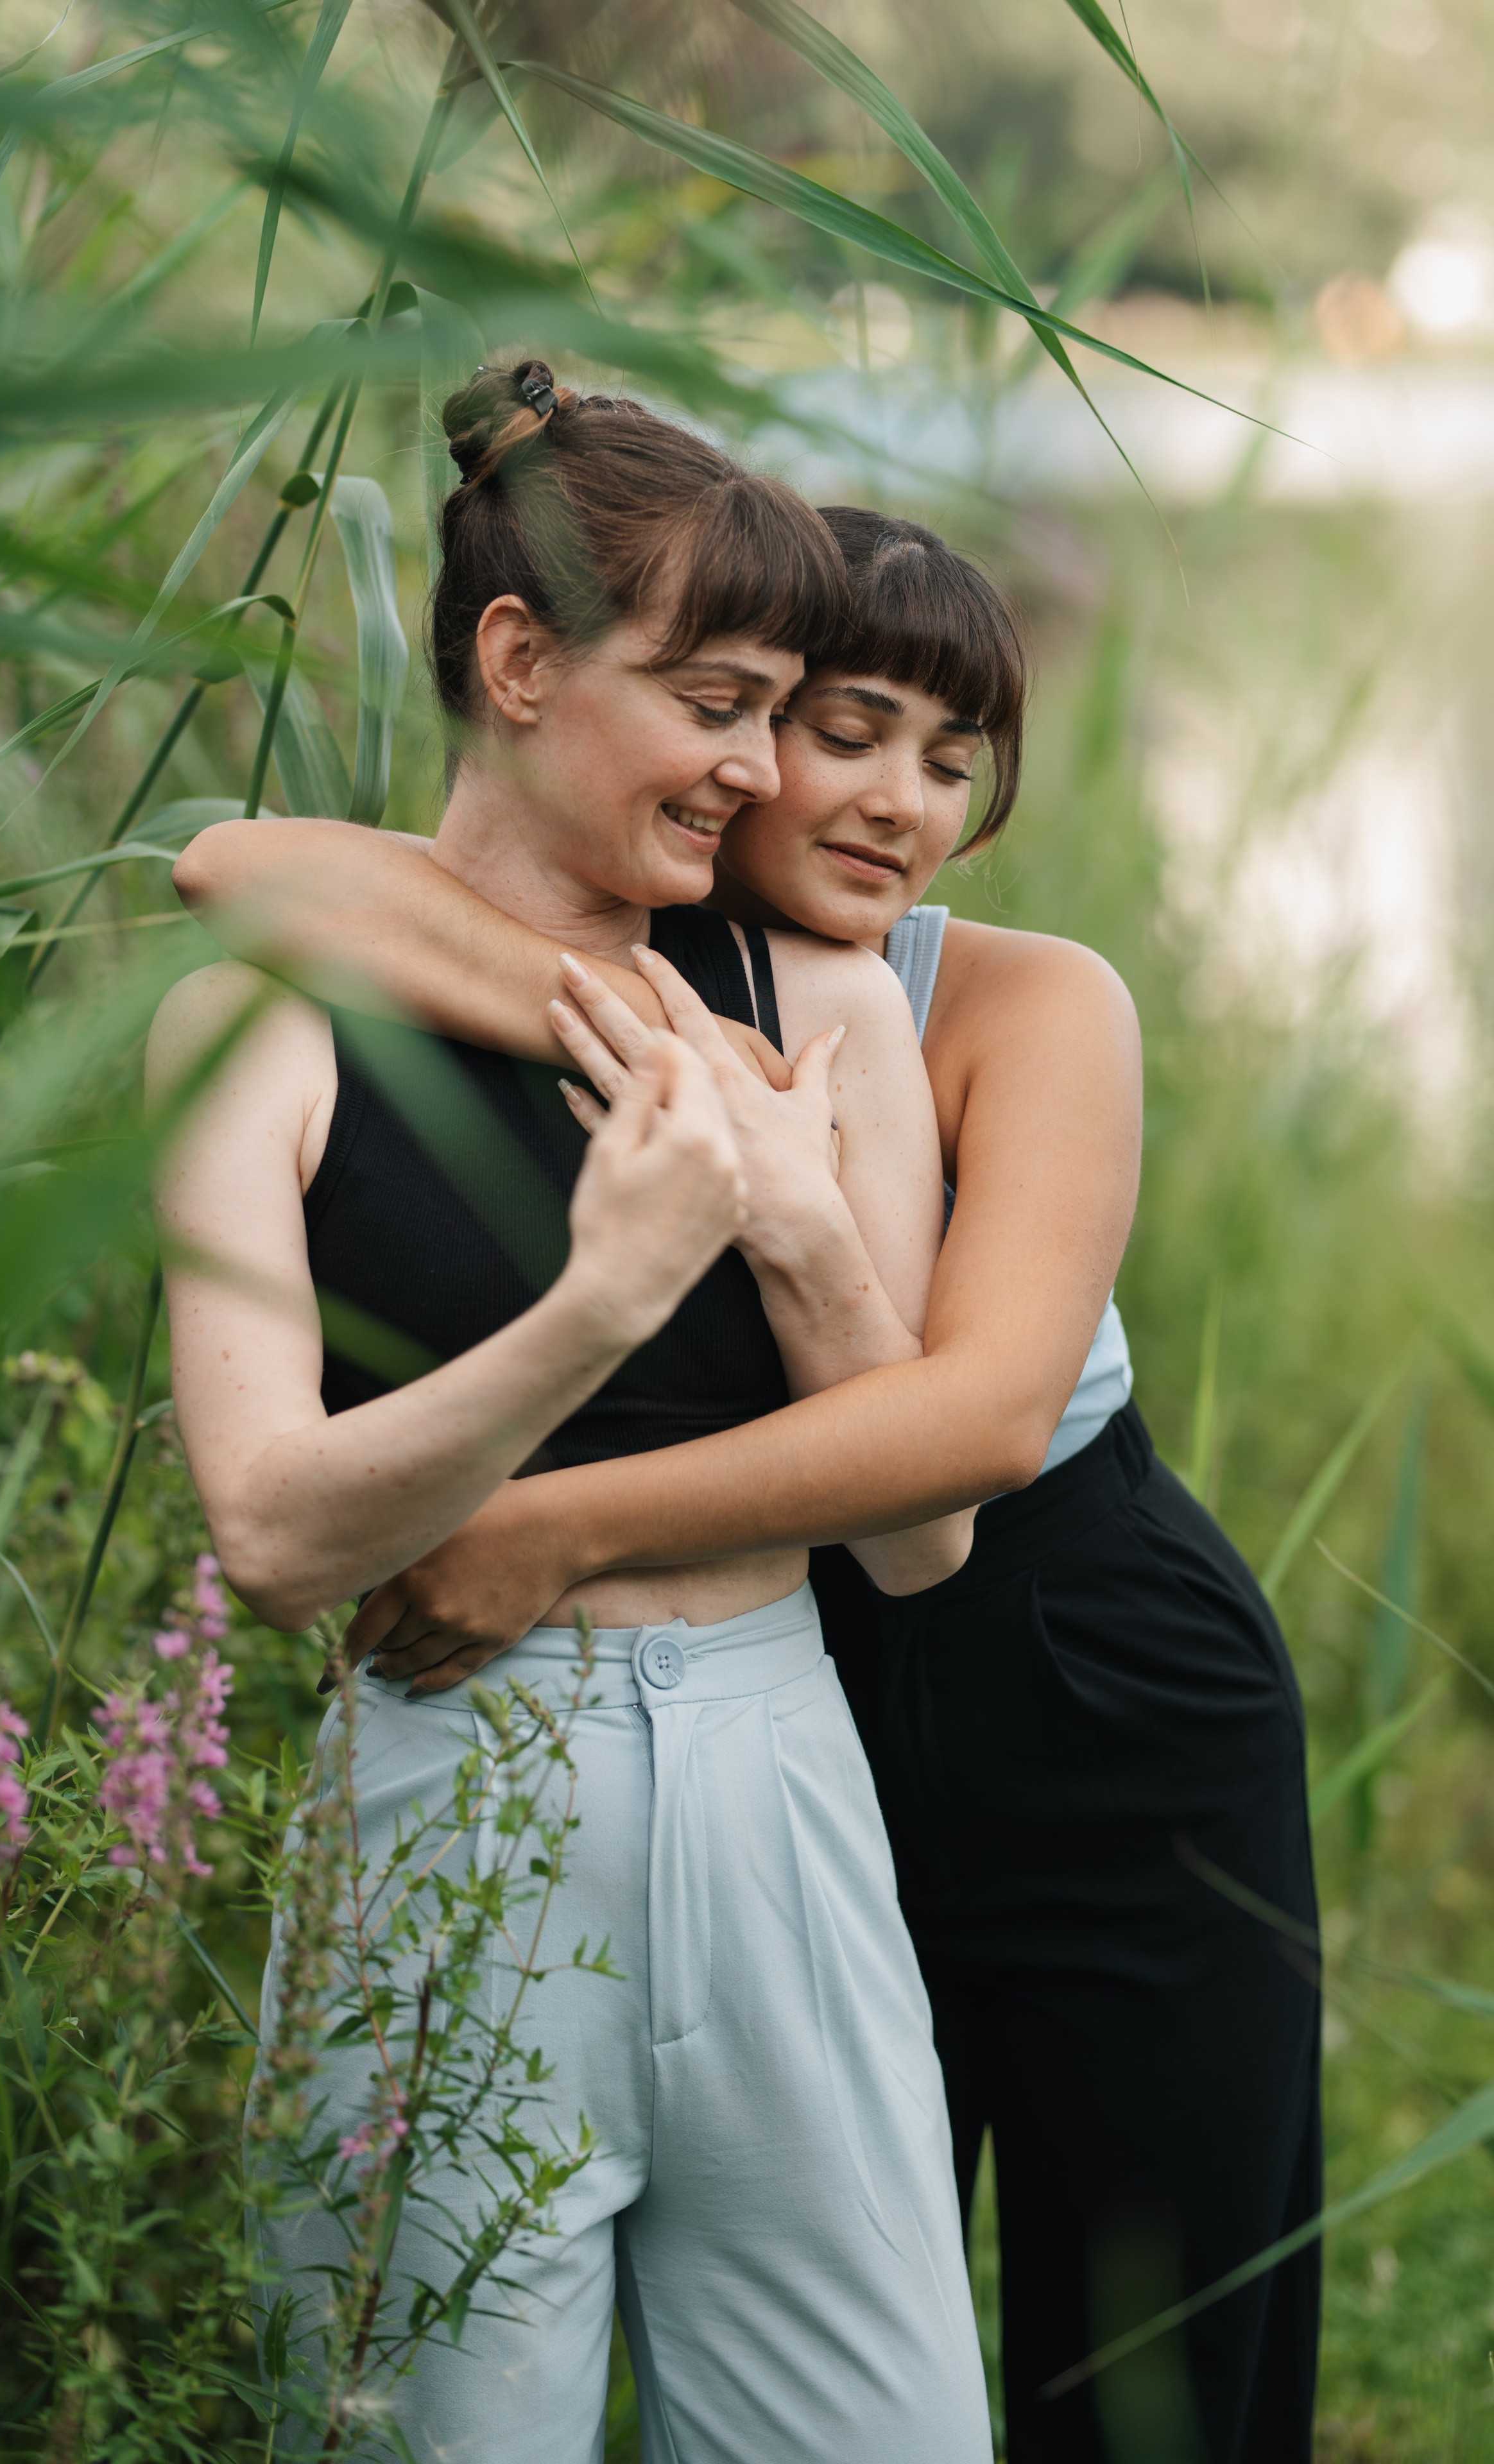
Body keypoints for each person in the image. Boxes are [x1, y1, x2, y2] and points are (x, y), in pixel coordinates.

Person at [179, 506, 1321, 2462]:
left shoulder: (1011, 999)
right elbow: (230, 861)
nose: (893, 801)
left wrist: (542, 1522)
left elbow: (958, 1446)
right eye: (830, 727)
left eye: (953, 762)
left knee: (1142, 2350)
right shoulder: (600, 966)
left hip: (1077, 1674)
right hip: (812, 1679)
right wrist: (670, 1037)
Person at [155, 364, 994, 2463]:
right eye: (713, 698)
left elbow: (917, 1536)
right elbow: (267, 1534)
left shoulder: (816, 1012)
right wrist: (603, 1300)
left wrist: (795, 1232)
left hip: (782, 1772)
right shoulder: (263, 1029)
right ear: (519, 663)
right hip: (445, 1798)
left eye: (776, 703)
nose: (761, 766)